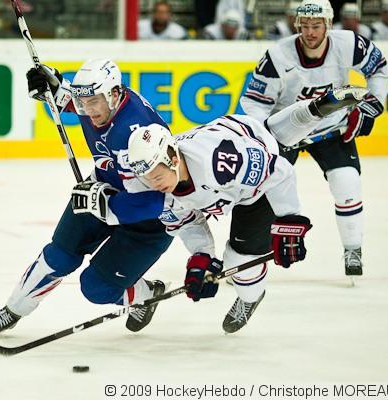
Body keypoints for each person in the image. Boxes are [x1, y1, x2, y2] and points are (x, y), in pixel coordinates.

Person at [127, 86, 367, 333]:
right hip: (246, 139)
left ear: (173, 159)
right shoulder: (156, 188)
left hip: (255, 179)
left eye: (156, 175)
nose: (153, 184)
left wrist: (290, 221)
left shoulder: (219, 163)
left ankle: (250, 297)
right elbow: (188, 222)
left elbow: (279, 172)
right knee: (274, 132)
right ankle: (314, 109)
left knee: (240, 259)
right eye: (146, 178)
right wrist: (201, 257)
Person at [0, 59, 174, 337]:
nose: (88, 111)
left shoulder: (135, 131)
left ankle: (146, 294)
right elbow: (72, 101)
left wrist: (105, 206)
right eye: (83, 102)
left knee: (97, 288)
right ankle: (12, 311)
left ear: (114, 94)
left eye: (94, 102)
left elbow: (156, 200)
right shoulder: (101, 101)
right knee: (59, 254)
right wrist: (52, 87)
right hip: (104, 190)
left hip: (149, 221)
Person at [240, 0, 388, 277]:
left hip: (330, 126)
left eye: (316, 26)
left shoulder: (349, 44)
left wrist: (370, 106)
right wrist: (263, 135)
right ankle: (247, 252)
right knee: (262, 193)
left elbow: (380, 69)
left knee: (347, 182)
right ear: (297, 25)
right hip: (287, 131)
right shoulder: (278, 55)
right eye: (305, 26)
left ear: (328, 25)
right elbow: (254, 102)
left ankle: (352, 248)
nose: (310, 32)